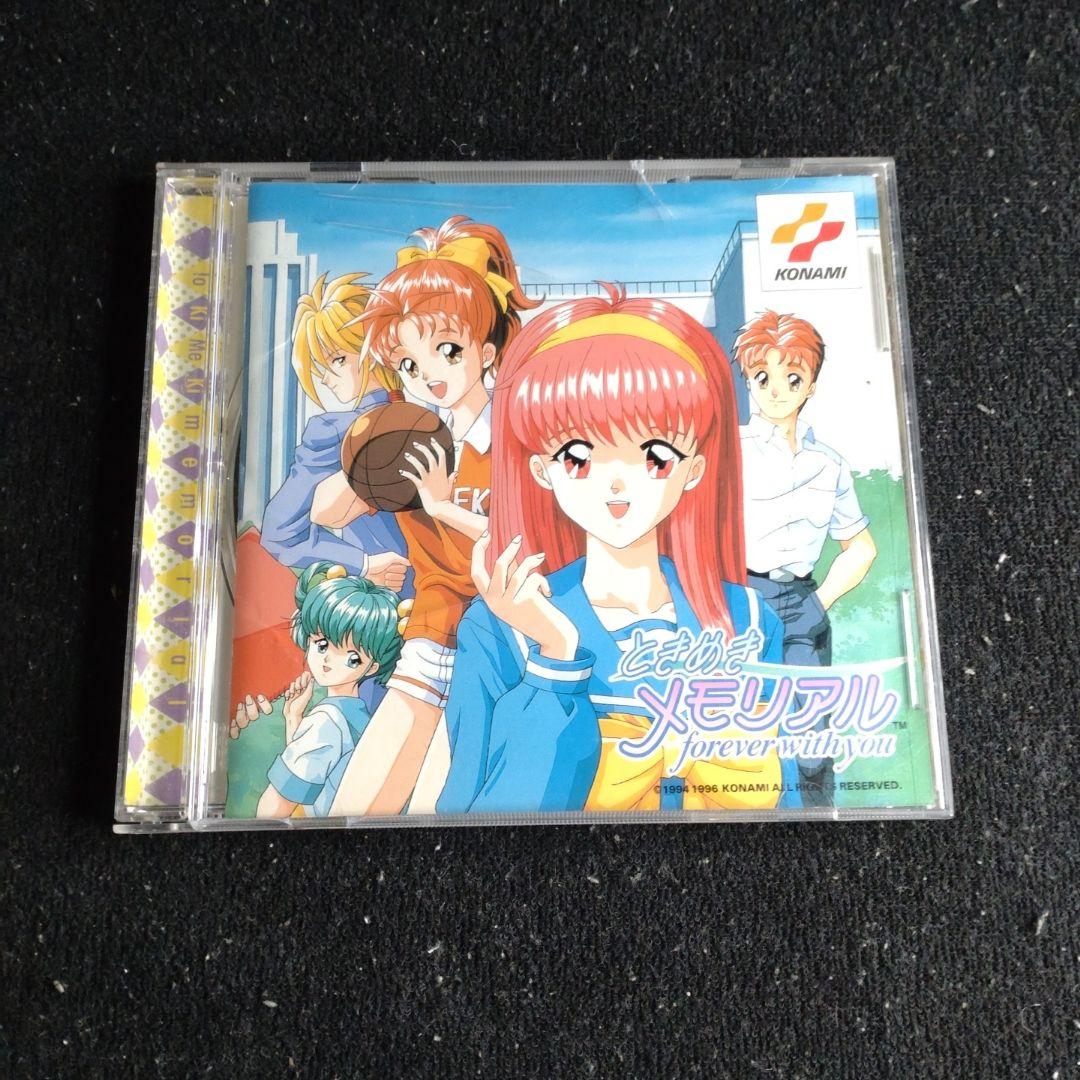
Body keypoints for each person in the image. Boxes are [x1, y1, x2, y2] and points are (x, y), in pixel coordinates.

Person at [436, 284, 794, 815]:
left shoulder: (748, 619)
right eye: (577, 455)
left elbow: (791, 802)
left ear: (695, 469)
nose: (617, 483)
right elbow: (474, 817)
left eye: (656, 454)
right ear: (541, 471)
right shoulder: (500, 627)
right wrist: (556, 655)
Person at [323, 217, 540, 816]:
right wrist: (361, 469)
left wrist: (443, 507)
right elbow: (327, 509)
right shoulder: (405, 436)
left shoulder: (520, 435)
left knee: (446, 788)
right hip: (437, 615)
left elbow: (526, 538)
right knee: (387, 756)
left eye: (447, 350)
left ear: (486, 351)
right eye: (409, 365)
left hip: (510, 624)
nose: (431, 375)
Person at [734, 310, 877, 807]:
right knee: (740, 729)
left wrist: (820, 601)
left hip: (801, 598)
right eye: (762, 377)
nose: (777, 390)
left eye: (792, 378)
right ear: (748, 381)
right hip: (738, 595)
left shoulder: (829, 464)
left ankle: (818, 822)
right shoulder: (728, 452)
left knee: (812, 735)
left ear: (811, 385)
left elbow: (861, 547)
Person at [260, 272, 411, 593]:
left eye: (338, 360)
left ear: (374, 350)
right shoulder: (336, 431)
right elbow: (279, 530)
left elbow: (279, 532)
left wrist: (363, 563)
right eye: (320, 366)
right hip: (386, 599)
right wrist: (364, 564)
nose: (326, 378)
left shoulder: (341, 430)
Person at [243, 563, 403, 819]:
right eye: (322, 645)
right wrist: (294, 718)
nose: (328, 659)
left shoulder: (327, 720)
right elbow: (310, 774)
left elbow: (280, 800)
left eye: (352, 658)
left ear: (372, 666)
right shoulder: (362, 718)